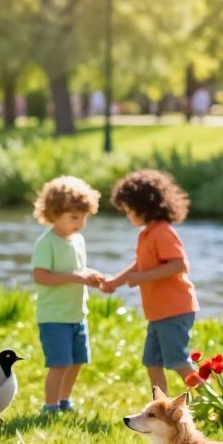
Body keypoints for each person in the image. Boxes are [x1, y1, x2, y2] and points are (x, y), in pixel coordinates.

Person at [102, 170, 199, 398]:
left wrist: (142, 279)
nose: (127, 215)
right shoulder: (146, 235)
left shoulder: (162, 232)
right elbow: (140, 265)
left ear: (143, 206)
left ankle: (212, 398)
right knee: (152, 362)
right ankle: (160, 407)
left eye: (128, 210)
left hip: (174, 309)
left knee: (176, 360)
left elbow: (178, 265)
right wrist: (114, 282)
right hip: (158, 312)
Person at [31, 176, 106, 415]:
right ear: (53, 214)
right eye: (74, 217)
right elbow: (41, 277)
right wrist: (75, 277)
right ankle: (50, 406)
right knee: (59, 364)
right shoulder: (47, 243)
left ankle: (64, 401)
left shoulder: (78, 240)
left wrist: (90, 275)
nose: (80, 222)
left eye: (84, 216)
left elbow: (78, 271)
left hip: (76, 314)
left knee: (76, 362)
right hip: (54, 316)